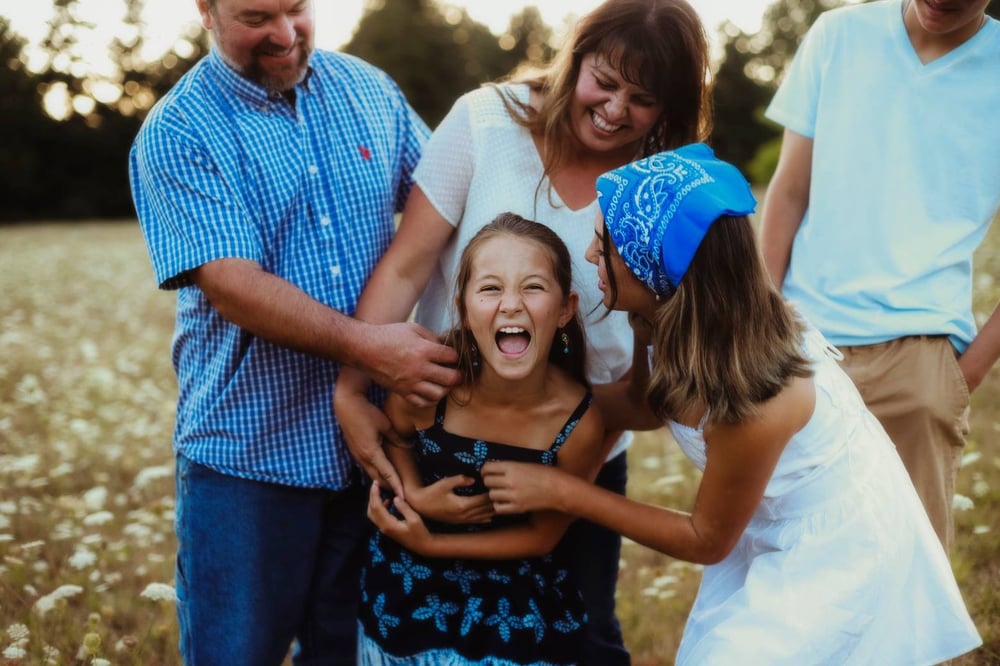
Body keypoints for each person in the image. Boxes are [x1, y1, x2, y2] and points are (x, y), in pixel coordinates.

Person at [482, 144, 983, 664]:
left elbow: (705, 539)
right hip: (765, 523)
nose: (590, 255)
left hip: (839, 548)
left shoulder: (759, 396)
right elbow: (643, 402)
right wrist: (513, 401)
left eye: (603, 243)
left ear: (654, 266)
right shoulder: (659, 316)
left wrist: (563, 491)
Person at [334, 2, 712, 661]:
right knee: (419, 630)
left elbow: (661, 343)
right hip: (445, 428)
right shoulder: (486, 120)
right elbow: (406, 262)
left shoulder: (660, 183)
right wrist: (350, 387)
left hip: (574, 447)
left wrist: (589, 442)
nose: (617, 109)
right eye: (606, 80)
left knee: (583, 635)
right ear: (575, 56)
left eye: (643, 98)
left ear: (670, 108)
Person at [127, 0, 461, 663]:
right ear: (207, 10)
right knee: (236, 654)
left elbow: (446, 206)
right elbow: (235, 289)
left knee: (356, 653)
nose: (285, 35)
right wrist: (372, 349)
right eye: (257, 16)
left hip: (374, 450)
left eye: (298, 9)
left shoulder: (369, 90)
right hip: (249, 458)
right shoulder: (178, 131)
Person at [759, 0, 1000, 552]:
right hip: (800, 343)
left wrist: (965, 374)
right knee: (788, 558)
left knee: (908, 573)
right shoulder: (838, 34)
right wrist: (763, 316)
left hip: (922, 358)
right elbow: (790, 189)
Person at [358, 213, 608, 664]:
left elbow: (542, 536)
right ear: (464, 308)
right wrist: (415, 492)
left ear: (566, 308)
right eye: (491, 288)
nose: (511, 304)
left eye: (532, 287)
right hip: (409, 597)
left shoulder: (578, 423)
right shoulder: (431, 387)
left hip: (517, 610)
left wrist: (433, 543)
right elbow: (394, 437)